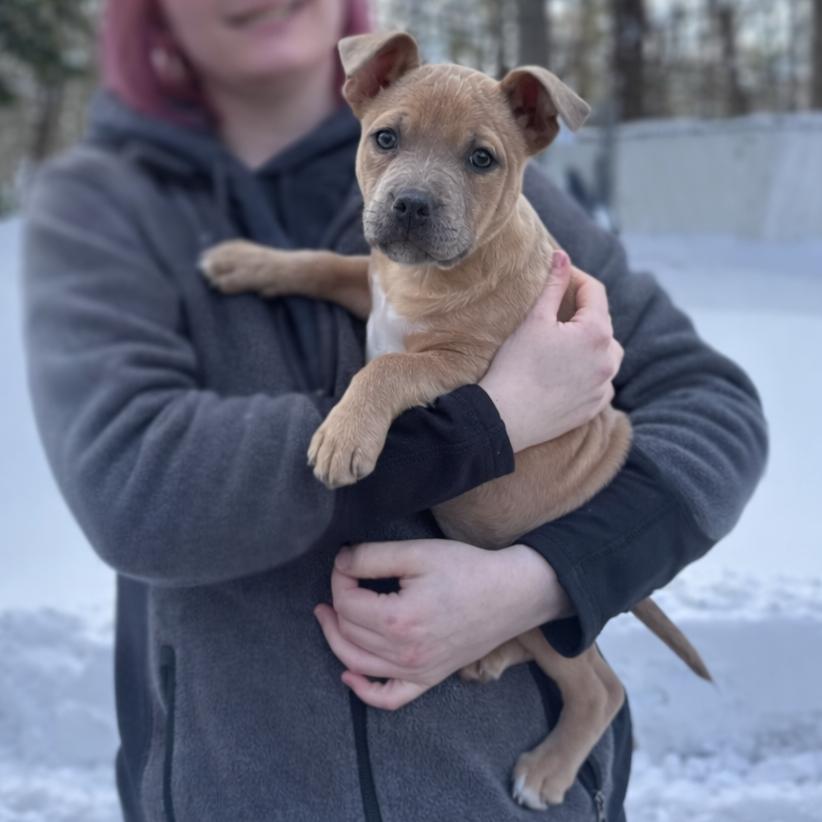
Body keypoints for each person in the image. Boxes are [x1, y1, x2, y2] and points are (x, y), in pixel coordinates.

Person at [22, 1, 767, 820]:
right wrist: (491, 421)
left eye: (478, 159)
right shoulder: (104, 209)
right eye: (389, 142)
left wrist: (542, 582)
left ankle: (583, 700)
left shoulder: (528, 217)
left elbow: (712, 407)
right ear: (367, 86)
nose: (417, 190)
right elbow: (139, 490)